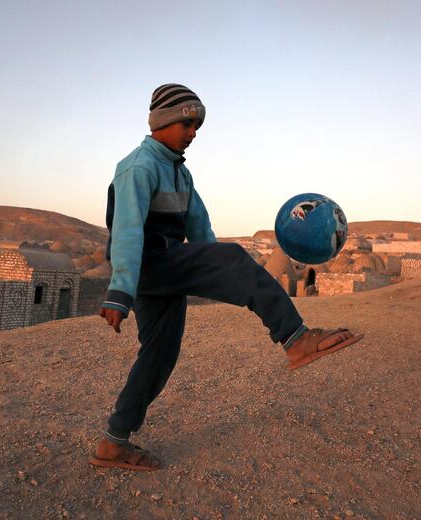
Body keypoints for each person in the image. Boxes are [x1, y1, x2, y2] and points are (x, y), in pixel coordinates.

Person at [90, 83, 363, 471]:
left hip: (168, 269)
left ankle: (113, 443)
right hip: (150, 264)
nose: (194, 132)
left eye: (197, 124)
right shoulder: (139, 167)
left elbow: (200, 231)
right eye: (187, 122)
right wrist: (119, 293)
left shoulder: (180, 175)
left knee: (159, 356)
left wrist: (213, 268)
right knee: (234, 257)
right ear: (162, 121)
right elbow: (128, 233)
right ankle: (296, 338)